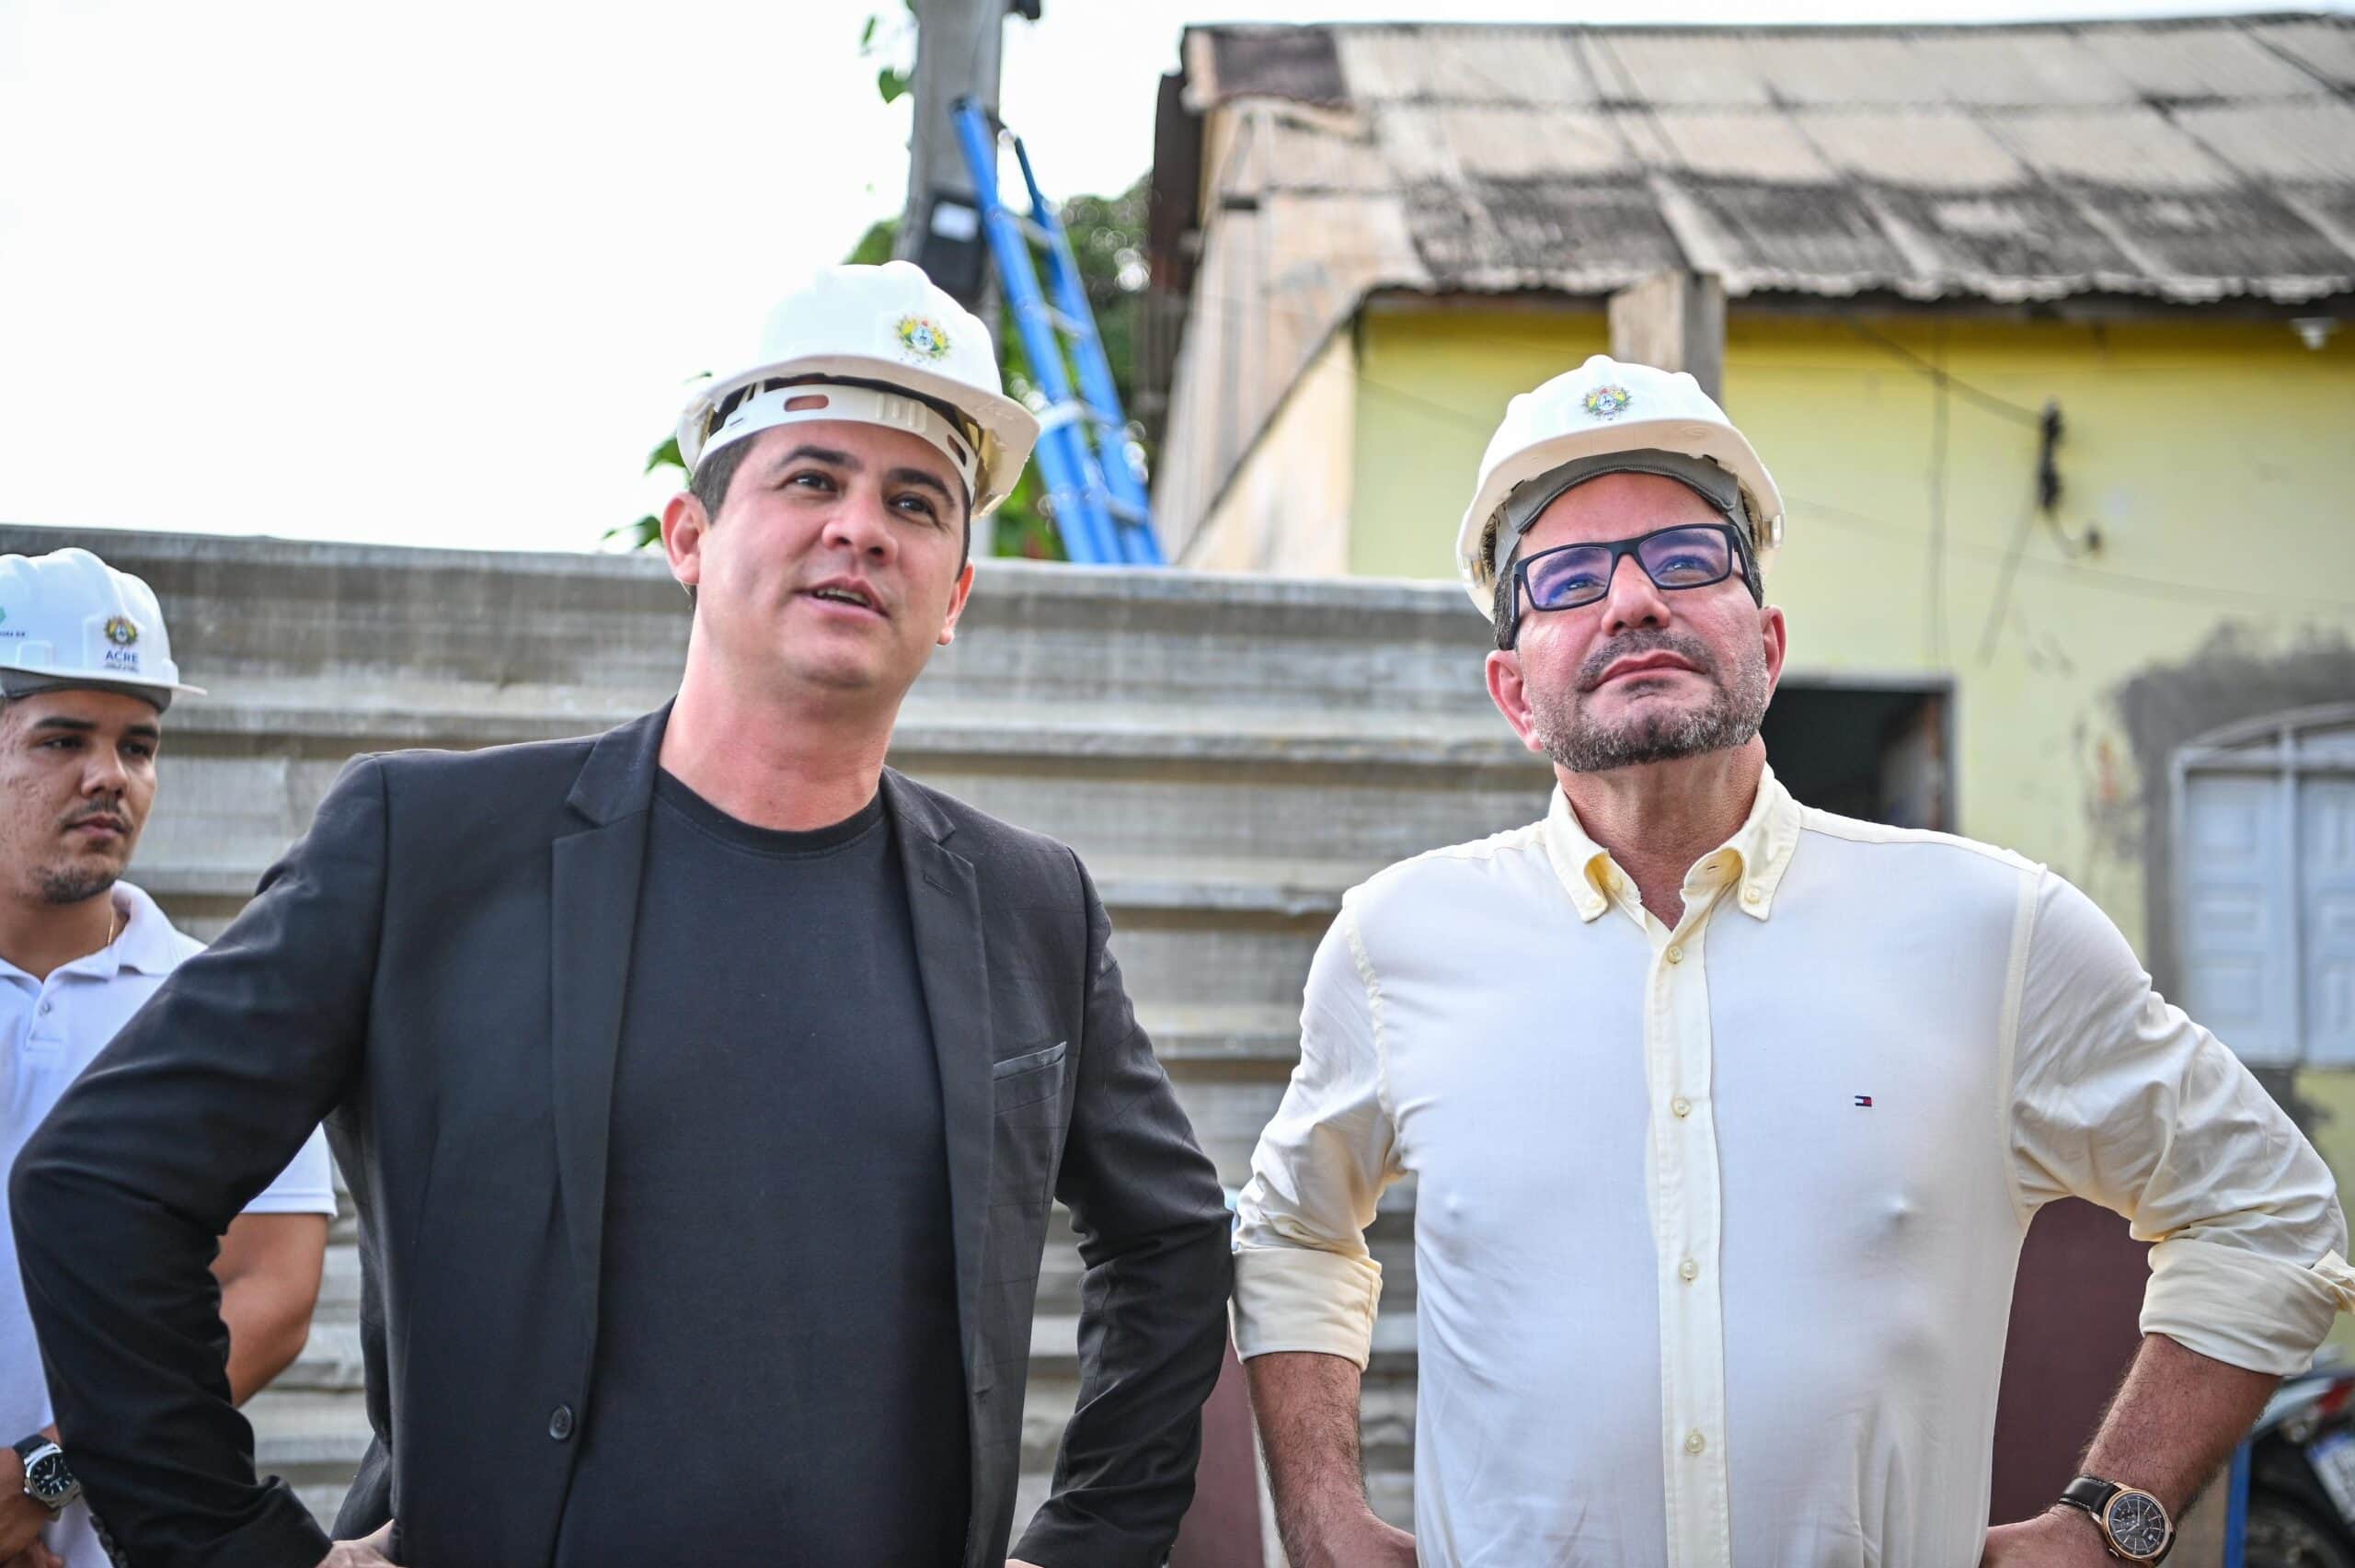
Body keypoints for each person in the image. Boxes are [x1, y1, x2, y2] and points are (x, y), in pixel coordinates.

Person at [13, 262, 1234, 1568]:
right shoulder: (428, 850)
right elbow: (101, 1181)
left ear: (955, 600)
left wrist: (1085, 1543)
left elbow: (1172, 1237)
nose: (862, 529)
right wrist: (240, 1548)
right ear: (689, 538)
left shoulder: (1028, 906)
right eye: (811, 478)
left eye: (915, 502)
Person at [1229, 355, 2355, 1568]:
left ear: (1765, 645)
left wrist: (2109, 1527)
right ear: (1514, 692)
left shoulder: (1991, 930)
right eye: (1565, 578)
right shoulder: (1397, 945)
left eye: (1685, 557)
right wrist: (1321, 1520)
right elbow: (1292, 1236)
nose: (1632, 601)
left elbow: (2268, 1214)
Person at [0, 548, 335, 1568]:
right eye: (64, 738)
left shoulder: (223, 1003)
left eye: (138, 745)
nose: (111, 774)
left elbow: (271, 1292)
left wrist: (40, 1476)